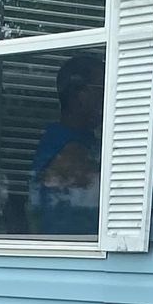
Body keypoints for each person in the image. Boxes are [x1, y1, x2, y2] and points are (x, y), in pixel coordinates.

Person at [29, 56, 104, 235]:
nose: (108, 98)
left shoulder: (86, 140)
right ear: (79, 95)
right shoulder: (67, 148)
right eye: (102, 89)